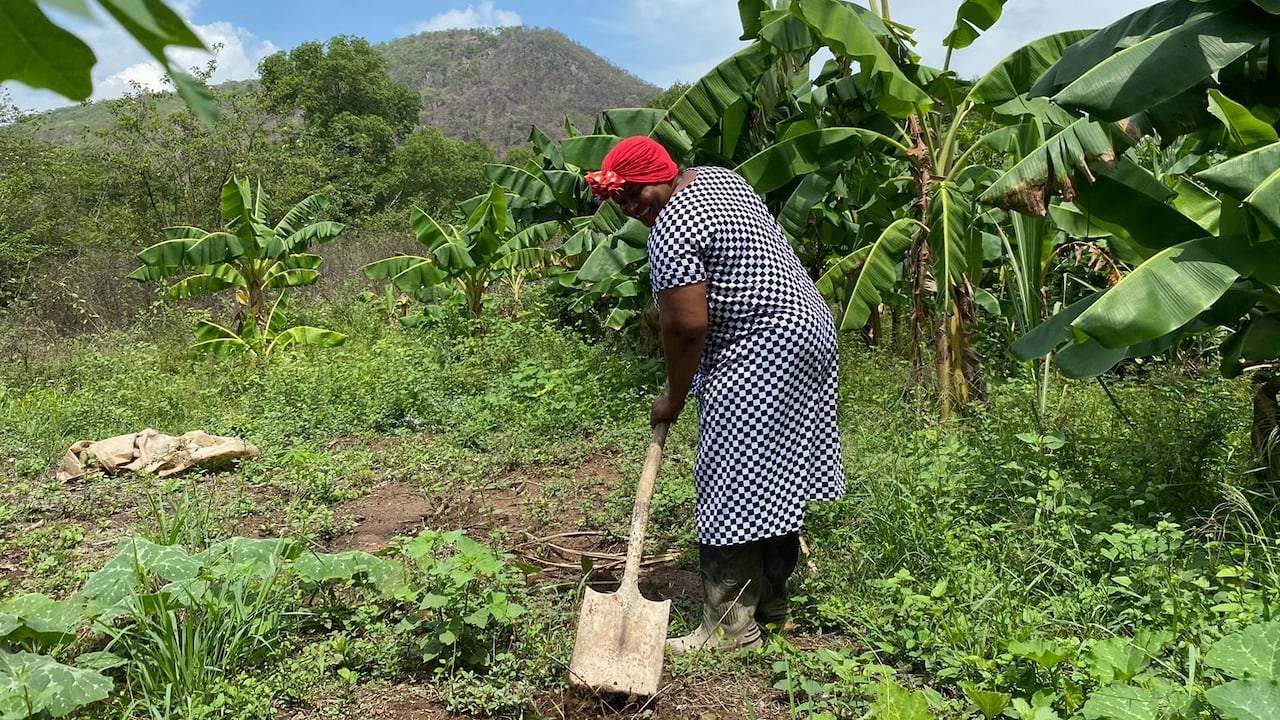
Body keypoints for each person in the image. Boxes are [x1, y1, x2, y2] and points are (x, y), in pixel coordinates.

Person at [584, 136, 845, 653]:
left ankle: (730, 630)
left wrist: (674, 397)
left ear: (661, 174)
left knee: (731, 485)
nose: (630, 204)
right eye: (620, 197)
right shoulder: (719, 180)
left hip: (758, 350)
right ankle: (772, 609)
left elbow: (685, 327)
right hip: (807, 332)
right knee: (776, 478)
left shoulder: (675, 225)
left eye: (635, 191)